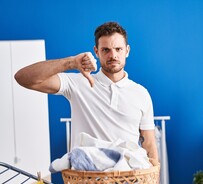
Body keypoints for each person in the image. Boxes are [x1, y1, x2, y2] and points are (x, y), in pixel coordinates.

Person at [14, 21, 158, 162]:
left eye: (118, 49)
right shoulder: (78, 83)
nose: (113, 55)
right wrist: (70, 62)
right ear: (96, 51)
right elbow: (23, 78)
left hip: (128, 182)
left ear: (127, 51)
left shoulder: (141, 93)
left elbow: (149, 145)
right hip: (86, 181)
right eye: (106, 50)